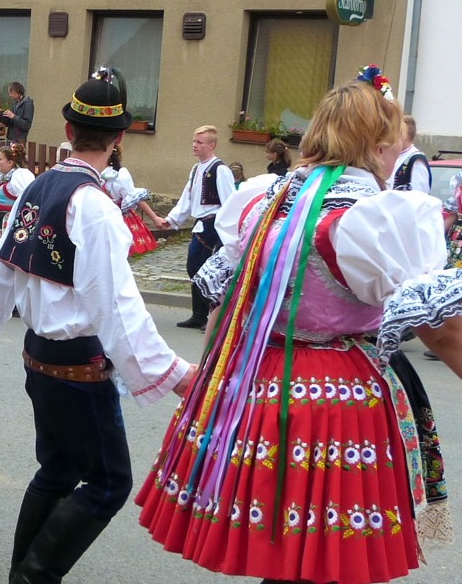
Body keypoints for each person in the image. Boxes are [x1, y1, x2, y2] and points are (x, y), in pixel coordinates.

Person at [136, 80, 462, 584]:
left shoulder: (263, 200)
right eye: (395, 139)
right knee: (326, 558)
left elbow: (229, 302)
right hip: (339, 398)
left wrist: (212, 377)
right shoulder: (376, 217)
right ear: (378, 144)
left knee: (282, 546)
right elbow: (442, 333)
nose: (399, 149)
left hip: (257, 379)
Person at [0, 72, 191, 583]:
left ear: (67, 130)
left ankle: (22, 576)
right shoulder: (95, 206)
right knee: (108, 483)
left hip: (40, 356)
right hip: (78, 364)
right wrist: (171, 373)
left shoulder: (38, 186)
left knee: (58, 470)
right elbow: (116, 305)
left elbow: (2, 270)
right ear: (119, 137)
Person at [154, 125, 235, 330]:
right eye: (194, 141)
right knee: (195, 268)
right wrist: (170, 220)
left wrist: (227, 231)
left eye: (199, 142)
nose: (194, 145)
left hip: (214, 225)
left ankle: (214, 315)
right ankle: (199, 315)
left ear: (211, 145)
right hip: (201, 224)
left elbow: (230, 202)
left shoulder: (220, 170)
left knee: (207, 269)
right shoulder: (196, 169)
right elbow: (187, 199)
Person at [103, 144, 162, 256]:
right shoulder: (92, 174)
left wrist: (154, 218)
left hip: (119, 219)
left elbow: (135, 198)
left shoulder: (118, 176)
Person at [388, 114, 431, 192]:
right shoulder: (394, 156)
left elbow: (419, 193)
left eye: (395, 132)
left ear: (405, 135)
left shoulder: (416, 161)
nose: (390, 135)